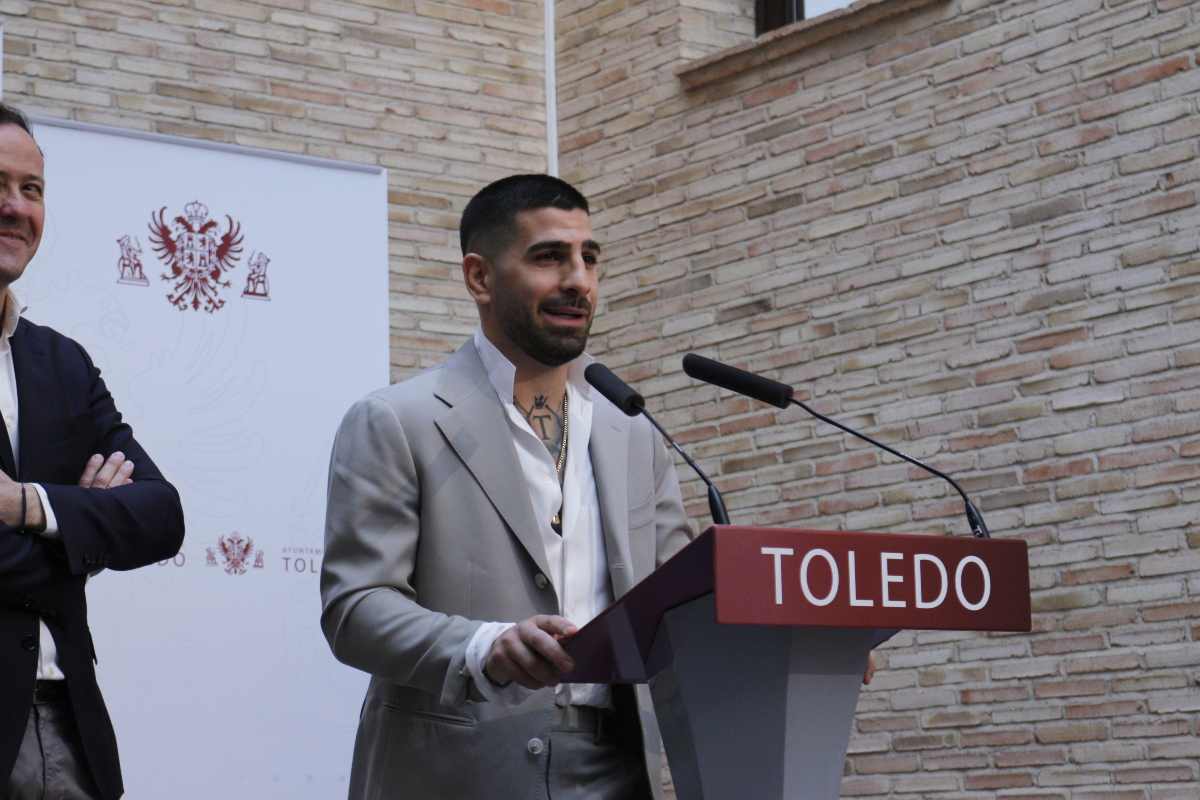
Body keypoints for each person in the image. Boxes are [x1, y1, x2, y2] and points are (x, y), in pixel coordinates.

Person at [321, 174, 695, 798]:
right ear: (480, 278)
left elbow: (682, 600)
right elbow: (355, 609)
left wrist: (791, 642)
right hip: (456, 772)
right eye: (550, 257)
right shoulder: (397, 420)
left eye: (589, 258)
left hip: (622, 769)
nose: (578, 279)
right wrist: (482, 644)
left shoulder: (633, 433)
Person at [0, 104, 186, 800]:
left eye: (32, 189)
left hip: (71, 727)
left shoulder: (62, 362)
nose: (16, 208)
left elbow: (161, 516)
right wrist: (80, 531)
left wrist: (29, 506)